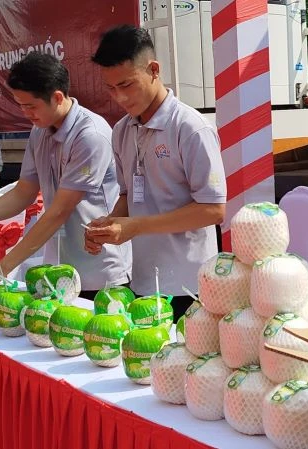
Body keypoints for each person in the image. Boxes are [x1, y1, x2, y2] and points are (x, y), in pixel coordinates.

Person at [0, 52, 132, 298]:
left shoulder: (89, 136)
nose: (25, 113)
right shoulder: (39, 131)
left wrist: (4, 267)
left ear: (56, 97)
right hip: (59, 268)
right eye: (20, 105)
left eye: (31, 106)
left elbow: (58, 212)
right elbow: (24, 192)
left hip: (100, 269)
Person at [87, 25, 226, 320]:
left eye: (126, 85)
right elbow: (128, 194)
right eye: (111, 88)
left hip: (190, 285)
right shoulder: (122, 131)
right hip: (143, 281)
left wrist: (135, 226)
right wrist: (109, 224)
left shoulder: (190, 128)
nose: (120, 98)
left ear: (153, 70)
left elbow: (213, 210)